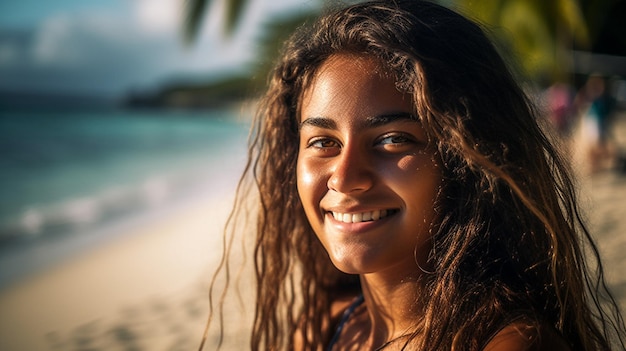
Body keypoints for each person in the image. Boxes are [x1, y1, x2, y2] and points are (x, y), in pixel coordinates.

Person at [199, 1, 626, 350]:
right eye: (322, 141)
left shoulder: (508, 345)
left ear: (467, 161)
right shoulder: (326, 328)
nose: (345, 177)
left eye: (392, 139)